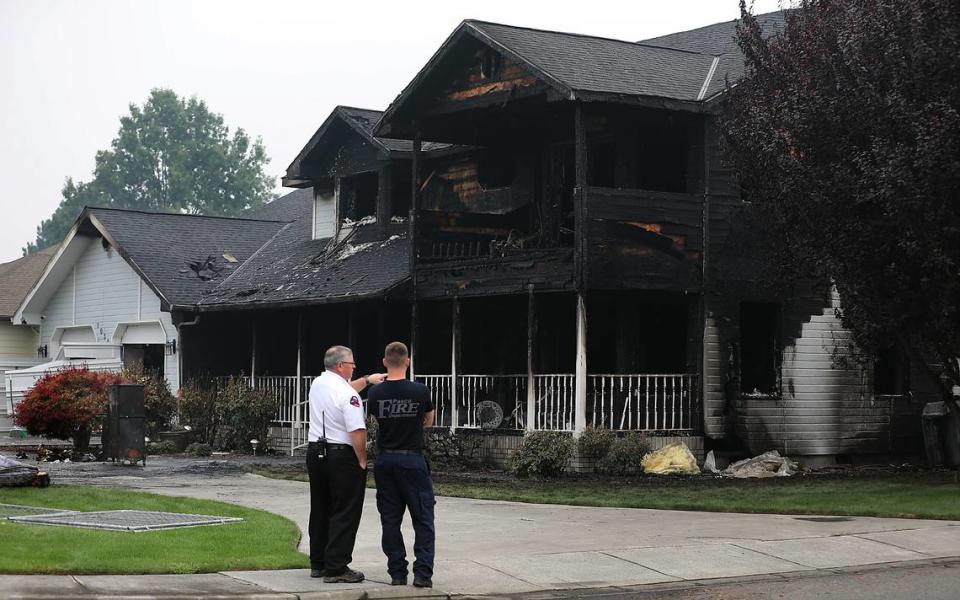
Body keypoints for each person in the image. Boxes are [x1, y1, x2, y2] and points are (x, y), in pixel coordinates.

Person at [306, 345, 385, 583]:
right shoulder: (349, 397)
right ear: (341, 365)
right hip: (341, 455)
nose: (354, 367)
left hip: (315, 452)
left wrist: (367, 380)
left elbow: (344, 390)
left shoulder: (319, 383)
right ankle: (337, 566)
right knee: (345, 510)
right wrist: (362, 459)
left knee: (320, 507)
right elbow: (357, 430)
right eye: (351, 364)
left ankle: (318, 562)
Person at [367, 341, 436, 588]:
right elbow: (428, 420)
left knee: (390, 519)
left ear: (385, 362)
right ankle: (422, 574)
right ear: (407, 361)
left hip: (386, 460)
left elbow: (375, 421)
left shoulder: (375, 393)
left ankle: (397, 573)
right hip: (412, 459)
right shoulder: (420, 391)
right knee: (423, 518)